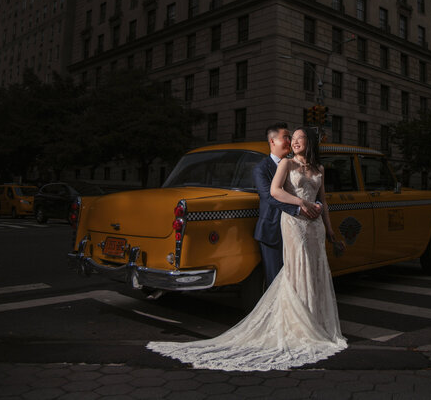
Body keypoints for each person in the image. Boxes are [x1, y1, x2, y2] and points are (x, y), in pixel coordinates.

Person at [146, 126, 347, 371]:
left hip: (314, 227)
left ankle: (316, 322)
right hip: (290, 224)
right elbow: (272, 193)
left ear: (309, 142)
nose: (292, 142)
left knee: (314, 272)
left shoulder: (319, 169)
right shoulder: (278, 165)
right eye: (290, 138)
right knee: (292, 273)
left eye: (298, 138)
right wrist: (300, 204)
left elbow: (323, 201)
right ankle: (294, 325)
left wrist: (331, 231)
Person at [253, 122, 321, 287]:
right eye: (286, 137)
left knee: (299, 278)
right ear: (272, 141)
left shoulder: (296, 164)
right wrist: (299, 208)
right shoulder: (261, 168)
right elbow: (270, 196)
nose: (290, 141)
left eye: (292, 137)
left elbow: (310, 189)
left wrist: (315, 204)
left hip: (299, 230)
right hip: (273, 231)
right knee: (276, 281)